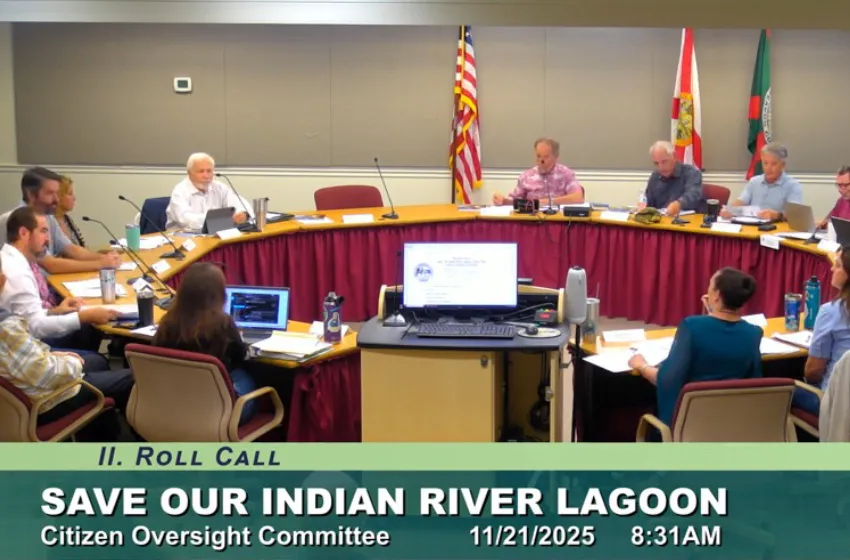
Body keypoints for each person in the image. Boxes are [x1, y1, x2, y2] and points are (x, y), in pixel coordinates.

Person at [0, 251, 134, 442]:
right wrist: (73, 362)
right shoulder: (6, 328)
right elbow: (46, 374)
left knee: (96, 361)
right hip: (42, 403)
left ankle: (99, 438)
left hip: (21, 391)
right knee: (131, 378)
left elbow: (21, 356)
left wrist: (54, 354)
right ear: (2, 280)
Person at [628, 267, 763, 429]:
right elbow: (753, 379)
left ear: (717, 295)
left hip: (689, 424)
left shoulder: (691, 326)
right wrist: (712, 312)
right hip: (731, 423)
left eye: (710, 286)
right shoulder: (753, 333)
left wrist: (641, 366)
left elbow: (667, 379)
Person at [0, 207, 119, 370]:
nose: (48, 239)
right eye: (42, 231)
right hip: (28, 349)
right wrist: (82, 317)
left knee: (87, 326)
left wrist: (57, 311)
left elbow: (26, 316)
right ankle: (78, 377)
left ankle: (81, 370)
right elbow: (35, 327)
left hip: (24, 336)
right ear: (23, 233)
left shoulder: (13, 258)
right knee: (95, 356)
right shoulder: (16, 272)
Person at [152, 262, 257, 424]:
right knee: (247, 376)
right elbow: (240, 357)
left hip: (173, 404)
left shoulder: (168, 321)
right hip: (219, 413)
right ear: (219, 294)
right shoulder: (223, 323)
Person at [0, 167, 121, 274]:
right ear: (31, 194)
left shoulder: (47, 215)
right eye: (50, 193)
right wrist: (100, 264)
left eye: (57, 193)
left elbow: (71, 249)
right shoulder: (18, 220)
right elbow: (50, 264)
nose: (57, 200)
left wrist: (106, 258)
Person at [792, 248, 850, 415]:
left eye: (838, 266)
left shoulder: (831, 312)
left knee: (780, 390)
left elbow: (813, 372)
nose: (831, 269)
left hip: (834, 403)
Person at [165, 152, 253, 231]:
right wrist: (223, 220)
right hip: (183, 238)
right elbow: (186, 220)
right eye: (201, 171)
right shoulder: (180, 191)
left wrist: (243, 214)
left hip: (213, 235)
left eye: (209, 171)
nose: (206, 176)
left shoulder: (219, 187)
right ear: (189, 173)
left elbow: (240, 203)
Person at [721, 142, 803, 221]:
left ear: (783, 165)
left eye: (773, 164)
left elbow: (795, 215)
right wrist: (729, 210)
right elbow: (741, 201)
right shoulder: (754, 181)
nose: (768, 168)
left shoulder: (793, 185)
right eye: (765, 163)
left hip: (777, 230)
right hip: (752, 229)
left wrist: (777, 215)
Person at [492, 138, 584, 207]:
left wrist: (546, 202)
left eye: (546, 157)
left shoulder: (566, 174)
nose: (541, 160)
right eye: (538, 156)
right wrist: (502, 200)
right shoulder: (526, 176)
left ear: (556, 157)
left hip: (557, 221)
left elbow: (578, 197)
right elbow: (515, 200)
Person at [642, 140, 704, 215]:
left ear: (674, 156)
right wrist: (643, 206)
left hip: (687, 222)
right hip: (660, 222)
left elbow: (693, 195)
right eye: (656, 163)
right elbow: (649, 203)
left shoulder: (691, 173)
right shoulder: (655, 176)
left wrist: (679, 204)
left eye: (664, 162)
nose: (660, 167)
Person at [55, 175, 86, 247]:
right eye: (70, 194)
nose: (74, 198)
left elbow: (81, 248)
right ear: (58, 196)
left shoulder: (67, 219)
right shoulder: (48, 222)